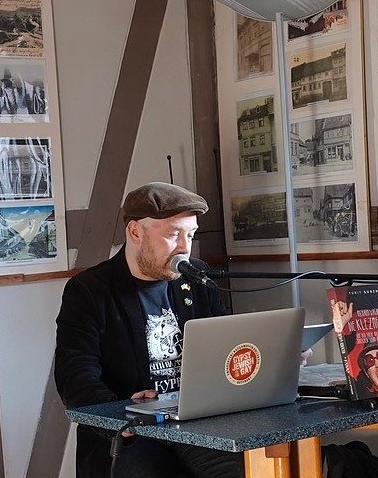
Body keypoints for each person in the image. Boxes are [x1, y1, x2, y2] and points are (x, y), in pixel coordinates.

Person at [53, 182, 242, 478]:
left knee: (245, 468)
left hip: (195, 426)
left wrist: (267, 358)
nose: (184, 247)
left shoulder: (197, 279)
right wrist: (124, 413)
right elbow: (74, 377)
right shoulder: (90, 290)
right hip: (133, 434)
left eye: (190, 235)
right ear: (135, 232)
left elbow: (227, 346)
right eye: (173, 234)